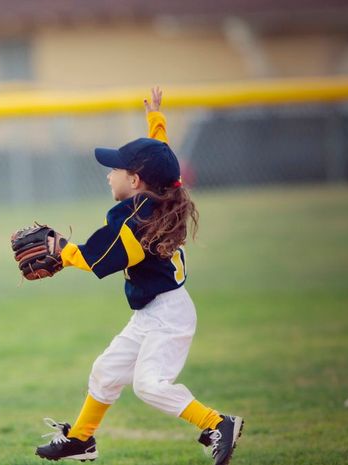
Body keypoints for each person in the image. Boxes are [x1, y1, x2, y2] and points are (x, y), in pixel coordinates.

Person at [34, 88, 243, 465]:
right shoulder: (160, 193)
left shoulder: (134, 218)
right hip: (153, 311)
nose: (109, 175)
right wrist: (156, 123)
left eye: (114, 169)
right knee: (106, 371)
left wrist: (59, 250)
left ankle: (217, 423)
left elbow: (98, 258)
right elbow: (162, 161)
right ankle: (82, 440)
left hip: (169, 315)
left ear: (134, 180)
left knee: (149, 385)